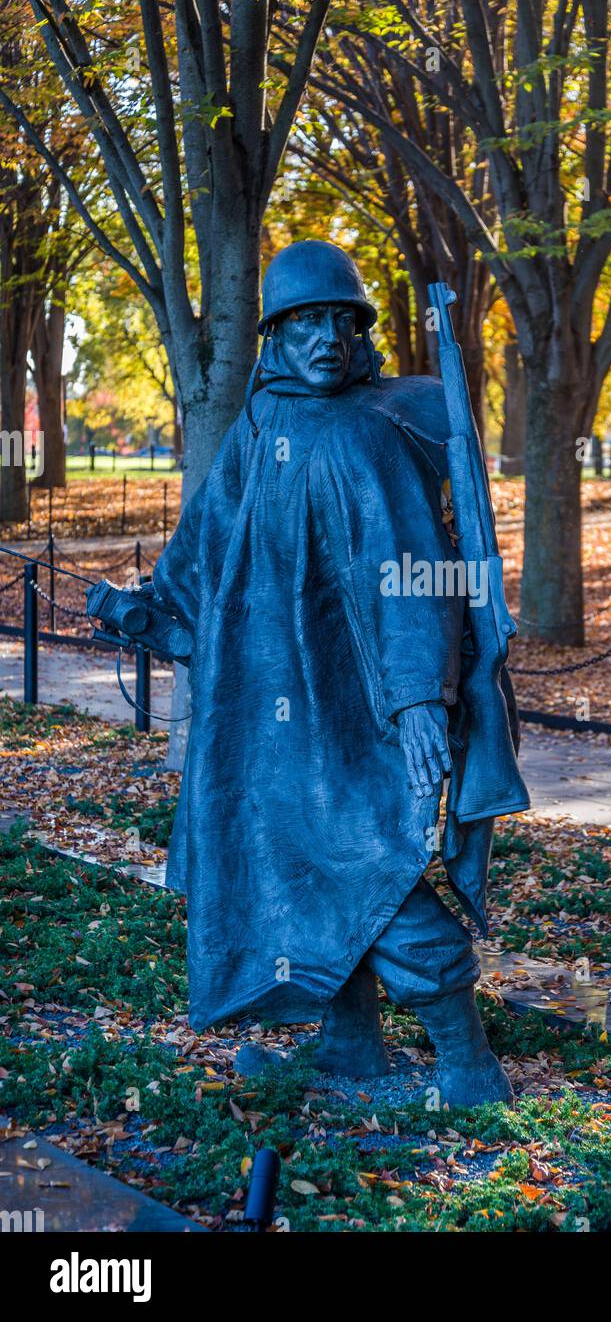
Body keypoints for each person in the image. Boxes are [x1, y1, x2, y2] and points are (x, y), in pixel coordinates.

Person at [152, 240, 526, 1106]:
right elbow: (205, 553)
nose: (324, 338)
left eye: (339, 321)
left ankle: (467, 1065)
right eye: (304, 322)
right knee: (304, 863)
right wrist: (142, 607)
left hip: (363, 710)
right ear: (274, 339)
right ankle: (351, 1047)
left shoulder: (367, 433)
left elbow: (413, 578)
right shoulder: (256, 429)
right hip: (271, 709)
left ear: (358, 337)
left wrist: (417, 701)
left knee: (371, 859)